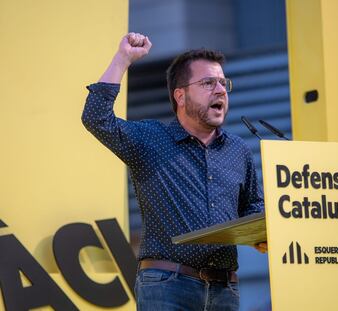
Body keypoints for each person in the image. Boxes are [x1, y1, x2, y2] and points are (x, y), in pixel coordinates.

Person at [82, 32, 267, 311]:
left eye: (222, 83)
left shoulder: (238, 149)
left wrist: (260, 233)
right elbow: (96, 118)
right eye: (208, 83)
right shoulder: (151, 139)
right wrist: (123, 59)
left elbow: (253, 204)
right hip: (168, 285)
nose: (220, 90)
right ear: (180, 95)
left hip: (225, 289)